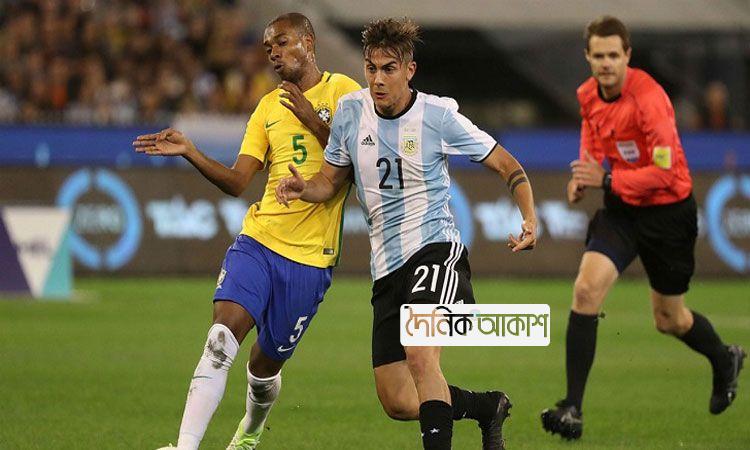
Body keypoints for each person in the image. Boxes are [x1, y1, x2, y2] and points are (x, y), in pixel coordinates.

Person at [275, 17, 537, 450]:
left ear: (409, 70)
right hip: (386, 268)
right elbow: (329, 181)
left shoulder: (438, 116)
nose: (378, 79)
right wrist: (305, 188)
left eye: (389, 69)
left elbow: (507, 165)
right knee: (397, 399)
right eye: (371, 68)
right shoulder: (351, 112)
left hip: (435, 251)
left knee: (420, 352)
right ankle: (486, 405)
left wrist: (529, 218)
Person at [133, 12, 360, 449]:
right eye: (268, 47)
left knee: (263, 368)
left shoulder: (345, 92)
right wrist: (192, 152)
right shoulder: (267, 107)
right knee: (221, 339)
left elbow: (359, 163)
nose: (274, 53)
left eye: (283, 42)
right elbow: (238, 181)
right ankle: (184, 446)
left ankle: (250, 432)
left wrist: (315, 121)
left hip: (310, 261)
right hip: (259, 240)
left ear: (309, 42)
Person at [541, 15, 746, 441]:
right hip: (623, 212)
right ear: (588, 57)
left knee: (669, 319)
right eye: (599, 55)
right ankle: (572, 408)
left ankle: (724, 358)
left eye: (614, 55)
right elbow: (592, 134)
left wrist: (607, 179)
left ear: (627, 55)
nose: (606, 63)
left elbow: (666, 173)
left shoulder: (649, 99)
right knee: (586, 290)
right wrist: (583, 175)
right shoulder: (587, 94)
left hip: (667, 214)